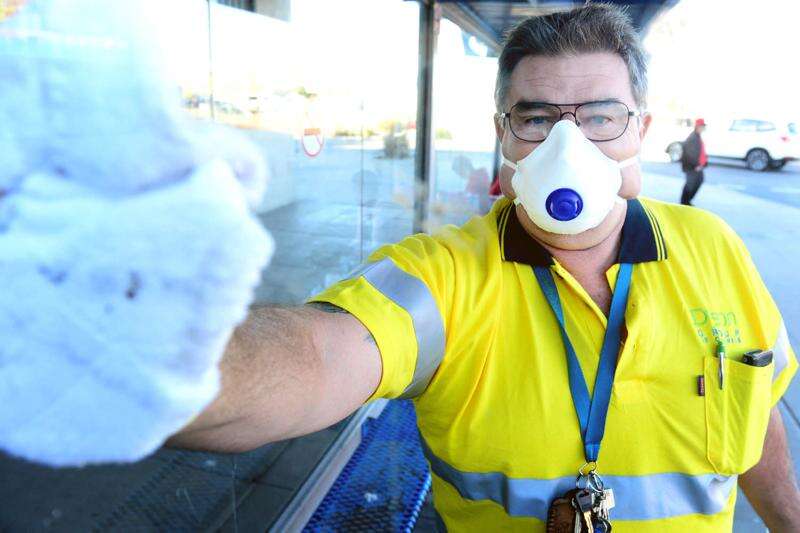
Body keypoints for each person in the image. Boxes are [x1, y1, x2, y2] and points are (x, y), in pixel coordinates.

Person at [168, 5, 800, 531]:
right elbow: (315, 356)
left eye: (600, 118)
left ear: (640, 131)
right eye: (536, 118)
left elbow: (759, 406)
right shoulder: (447, 274)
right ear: (504, 134)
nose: (567, 146)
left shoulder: (712, 246)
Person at [680, 118, 708, 205]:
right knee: (690, 184)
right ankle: (684, 202)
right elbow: (689, 154)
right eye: (702, 126)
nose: (703, 128)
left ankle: (687, 201)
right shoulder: (692, 138)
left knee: (698, 181)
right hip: (693, 167)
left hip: (698, 166)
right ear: (697, 127)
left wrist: (704, 163)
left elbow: (701, 152)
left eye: (704, 127)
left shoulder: (697, 136)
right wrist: (696, 165)